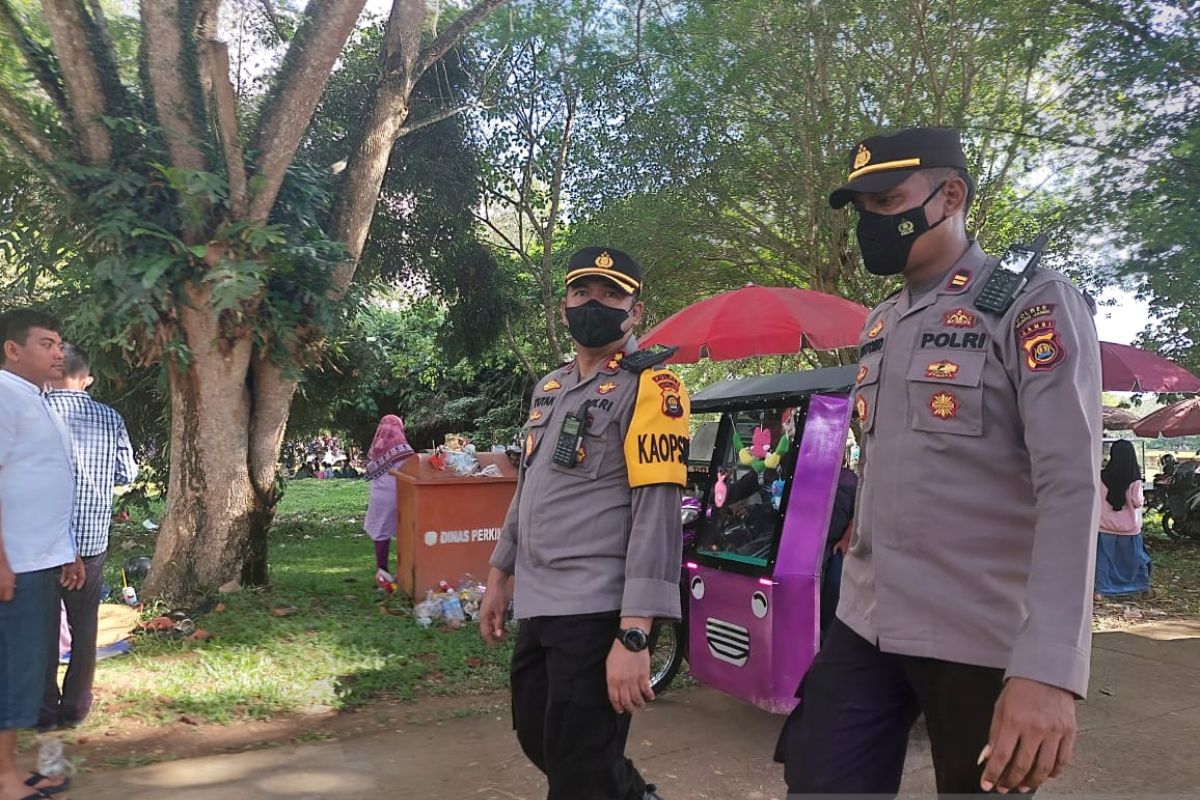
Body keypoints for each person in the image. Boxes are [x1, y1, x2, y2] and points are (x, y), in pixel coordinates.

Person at [780, 128, 1103, 796]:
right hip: (867, 621)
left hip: (981, 633)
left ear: (950, 194)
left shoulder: (1028, 304)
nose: (873, 222)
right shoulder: (882, 322)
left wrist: (1049, 668)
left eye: (888, 200)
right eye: (863, 209)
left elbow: (1070, 488)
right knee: (817, 780)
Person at [479, 246, 690, 800]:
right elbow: (528, 489)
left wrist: (636, 632)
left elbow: (656, 512)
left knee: (577, 768)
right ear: (564, 304)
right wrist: (500, 575)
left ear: (635, 310)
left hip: (598, 608)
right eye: (582, 293)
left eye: (610, 294)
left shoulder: (653, 388)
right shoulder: (549, 389)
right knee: (540, 739)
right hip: (542, 602)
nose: (593, 304)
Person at [0, 309, 83, 799]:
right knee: (10, 672)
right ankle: (3, 778)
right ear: (13, 349)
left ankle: (11, 768)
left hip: (41, 557)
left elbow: (42, 481)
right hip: (17, 563)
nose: (59, 353)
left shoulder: (38, 399)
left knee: (29, 670)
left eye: (59, 344)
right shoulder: (4, 397)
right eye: (47, 344)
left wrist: (67, 552)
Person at [40, 344, 138, 732]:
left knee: (44, 625)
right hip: (91, 541)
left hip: (44, 544)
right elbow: (126, 473)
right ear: (88, 379)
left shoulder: (37, 413)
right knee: (85, 625)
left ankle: (44, 708)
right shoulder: (109, 417)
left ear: (51, 373)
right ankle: (76, 706)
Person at [1095, 440, 1150, 598]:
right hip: (1130, 528)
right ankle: (1143, 589)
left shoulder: (1101, 476)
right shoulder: (1135, 480)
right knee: (1136, 559)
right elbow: (1137, 501)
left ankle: (1100, 591)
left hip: (1104, 525)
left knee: (1104, 560)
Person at [363, 415, 415, 577]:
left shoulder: (375, 449)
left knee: (381, 534)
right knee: (406, 533)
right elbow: (413, 468)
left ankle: (382, 571)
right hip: (400, 495)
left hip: (378, 497)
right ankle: (405, 571)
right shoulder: (403, 451)